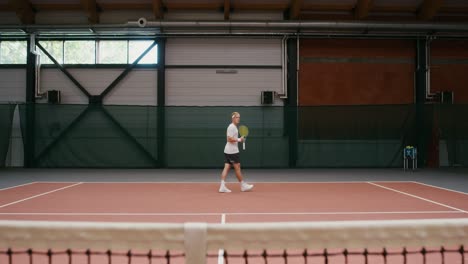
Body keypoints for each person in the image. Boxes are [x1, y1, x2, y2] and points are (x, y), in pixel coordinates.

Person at [219, 112, 254, 193]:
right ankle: (243, 186)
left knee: (226, 167)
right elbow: (229, 139)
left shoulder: (234, 127)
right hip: (232, 152)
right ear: (233, 118)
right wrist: (239, 139)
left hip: (228, 151)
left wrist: (239, 139)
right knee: (237, 168)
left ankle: (222, 186)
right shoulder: (232, 127)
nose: (238, 118)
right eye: (237, 117)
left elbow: (232, 138)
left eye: (239, 117)